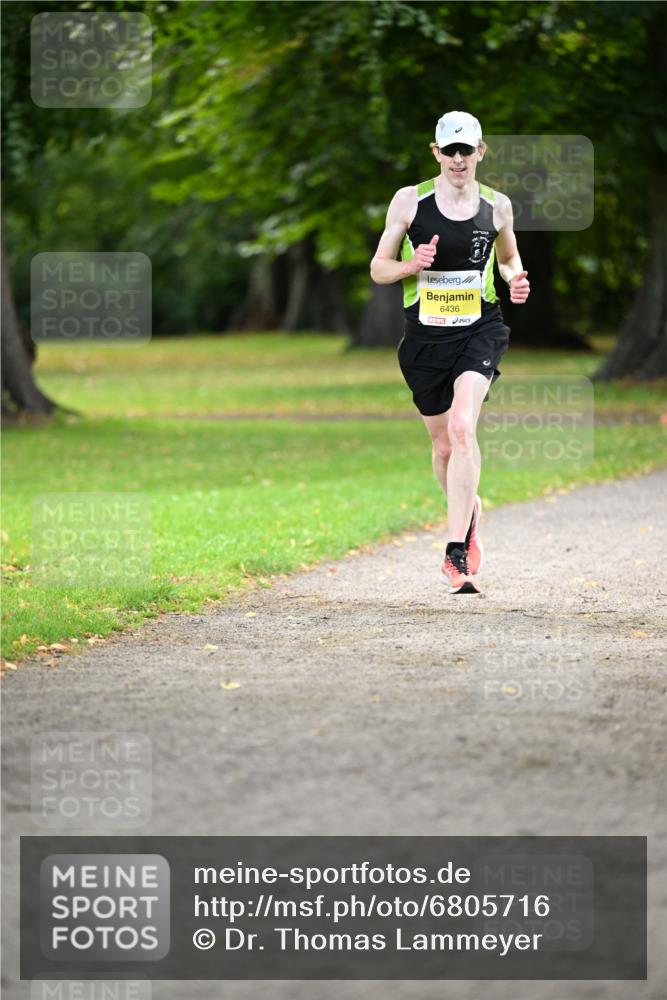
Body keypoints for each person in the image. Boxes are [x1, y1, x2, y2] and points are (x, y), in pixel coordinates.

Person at [370, 111, 530, 594]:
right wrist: (408, 265)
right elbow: (378, 268)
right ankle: (471, 511)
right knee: (442, 445)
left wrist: (513, 279)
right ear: (436, 153)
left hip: (480, 329)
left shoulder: (497, 206)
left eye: (467, 150)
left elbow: (508, 258)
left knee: (463, 428)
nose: (458, 159)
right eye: (450, 150)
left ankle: (455, 552)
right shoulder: (409, 202)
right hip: (424, 341)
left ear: (480, 152)